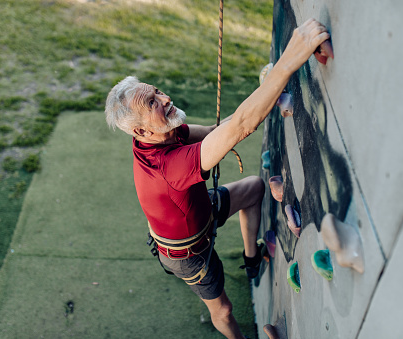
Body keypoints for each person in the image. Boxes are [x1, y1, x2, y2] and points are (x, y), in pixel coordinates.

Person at [104, 19, 330, 339]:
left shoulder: (158, 133)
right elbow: (240, 127)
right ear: (141, 130)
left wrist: (266, 89)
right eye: (153, 102)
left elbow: (218, 132)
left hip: (198, 212)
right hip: (188, 251)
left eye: (156, 91)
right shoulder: (172, 166)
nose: (165, 99)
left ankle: (251, 259)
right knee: (222, 310)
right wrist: (289, 60)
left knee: (253, 188)